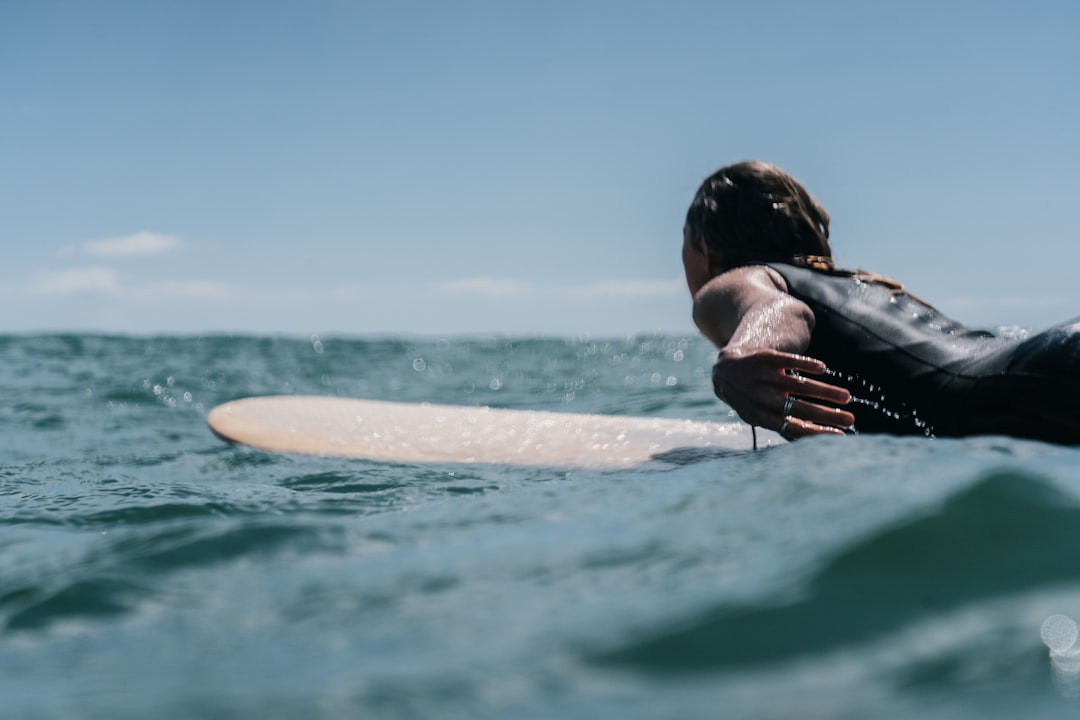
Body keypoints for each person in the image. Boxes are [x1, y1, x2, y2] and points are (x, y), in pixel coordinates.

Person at [683, 160, 1080, 444]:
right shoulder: (864, 286)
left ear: (704, 248)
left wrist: (741, 355)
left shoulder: (738, 282)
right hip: (1052, 357)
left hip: (1033, 396)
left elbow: (784, 312)